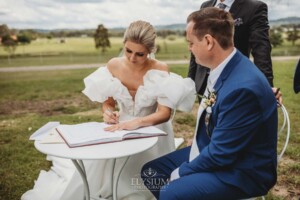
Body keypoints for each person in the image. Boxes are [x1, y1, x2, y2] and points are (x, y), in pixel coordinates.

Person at [22, 20, 196, 200]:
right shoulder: (114, 65)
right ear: (123, 44)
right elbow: (108, 102)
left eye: (140, 54)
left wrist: (137, 122)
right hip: (119, 129)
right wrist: (107, 112)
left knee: (146, 182)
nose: (132, 58)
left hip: (152, 129)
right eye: (128, 51)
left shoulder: (160, 69)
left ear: (151, 51)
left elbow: (164, 113)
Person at [142, 8, 278, 199]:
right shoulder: (227, 67)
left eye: (191, 43)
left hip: (243, 170)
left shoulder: (242, 89)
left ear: (208, 41)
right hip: (218, 150)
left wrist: (180, 172)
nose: (189, 48)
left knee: (170, 192)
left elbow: (220, 155)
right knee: (152, 172)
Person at [188, 0, 282, 103]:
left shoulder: (254, 7)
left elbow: (261, 48)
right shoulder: (205, 6)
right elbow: (196, 43)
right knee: (206, 118)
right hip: (204, 82)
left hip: (234, 82)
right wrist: (190, 81)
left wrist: (266, 86)